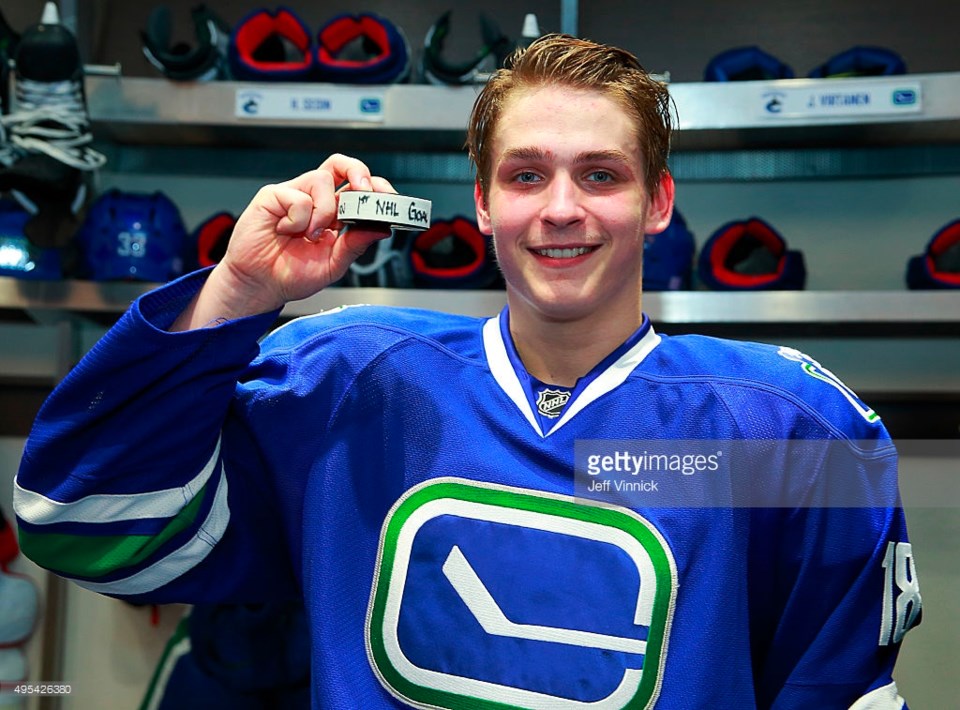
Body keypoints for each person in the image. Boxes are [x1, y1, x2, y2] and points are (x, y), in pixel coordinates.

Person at [13, 34, 919, 709]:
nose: (561, 209)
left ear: (657, 202)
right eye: (526, 176)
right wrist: (235, 293)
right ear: (482, 203)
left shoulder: (788, 428)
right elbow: (82, 524)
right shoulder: (349, 384)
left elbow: (837, 687)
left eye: (600, 175)